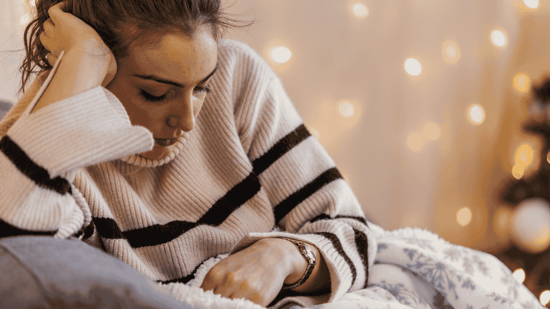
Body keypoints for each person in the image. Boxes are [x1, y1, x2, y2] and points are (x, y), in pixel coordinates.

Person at [0, 0, 375, 308]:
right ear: (96, 71)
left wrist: (283, 256)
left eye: (201, 88)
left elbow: (353, 234)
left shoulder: (237, 77)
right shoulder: (45, 146)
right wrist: (78, 61)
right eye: (156, 93)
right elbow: (15, 255)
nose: (189, 122)